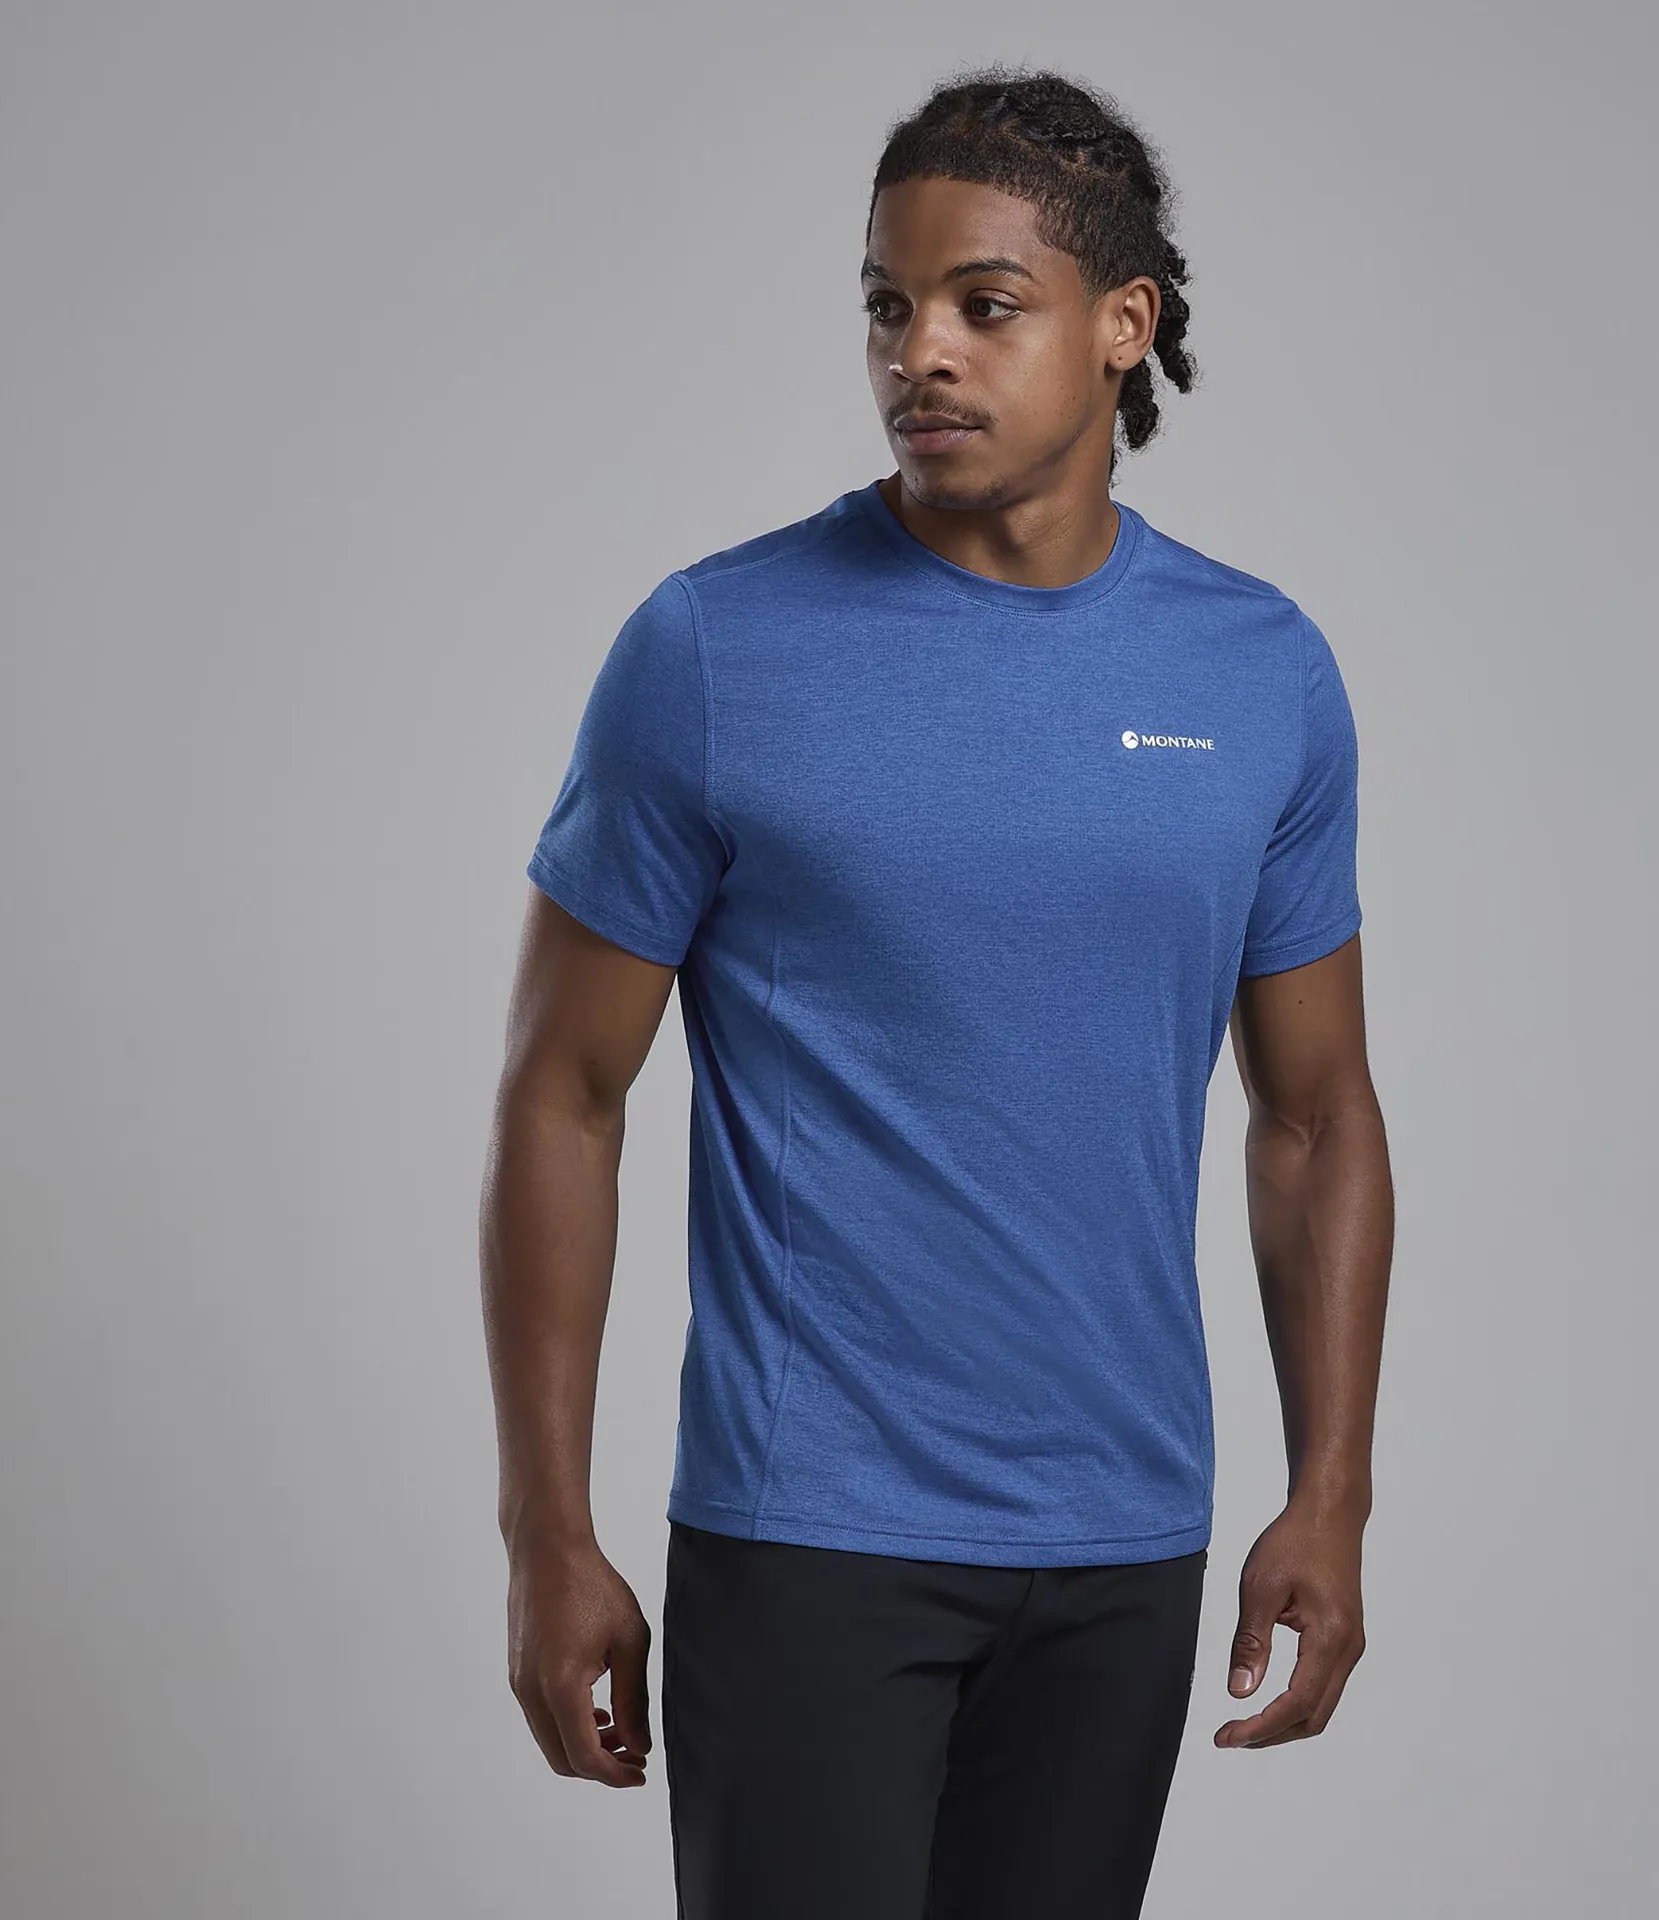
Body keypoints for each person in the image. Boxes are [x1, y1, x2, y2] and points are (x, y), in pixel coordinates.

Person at [480, 61, 1394, 1920]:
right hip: (810, 1533)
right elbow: (563, 1095)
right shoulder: (715, 649)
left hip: (1123, 1539)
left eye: (987, 304)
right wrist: (544, 1532)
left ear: (1123, 324)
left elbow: (1315, 1117)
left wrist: (1334, 1493)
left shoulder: (1261, 673)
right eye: (890, 306)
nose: (923, 355)